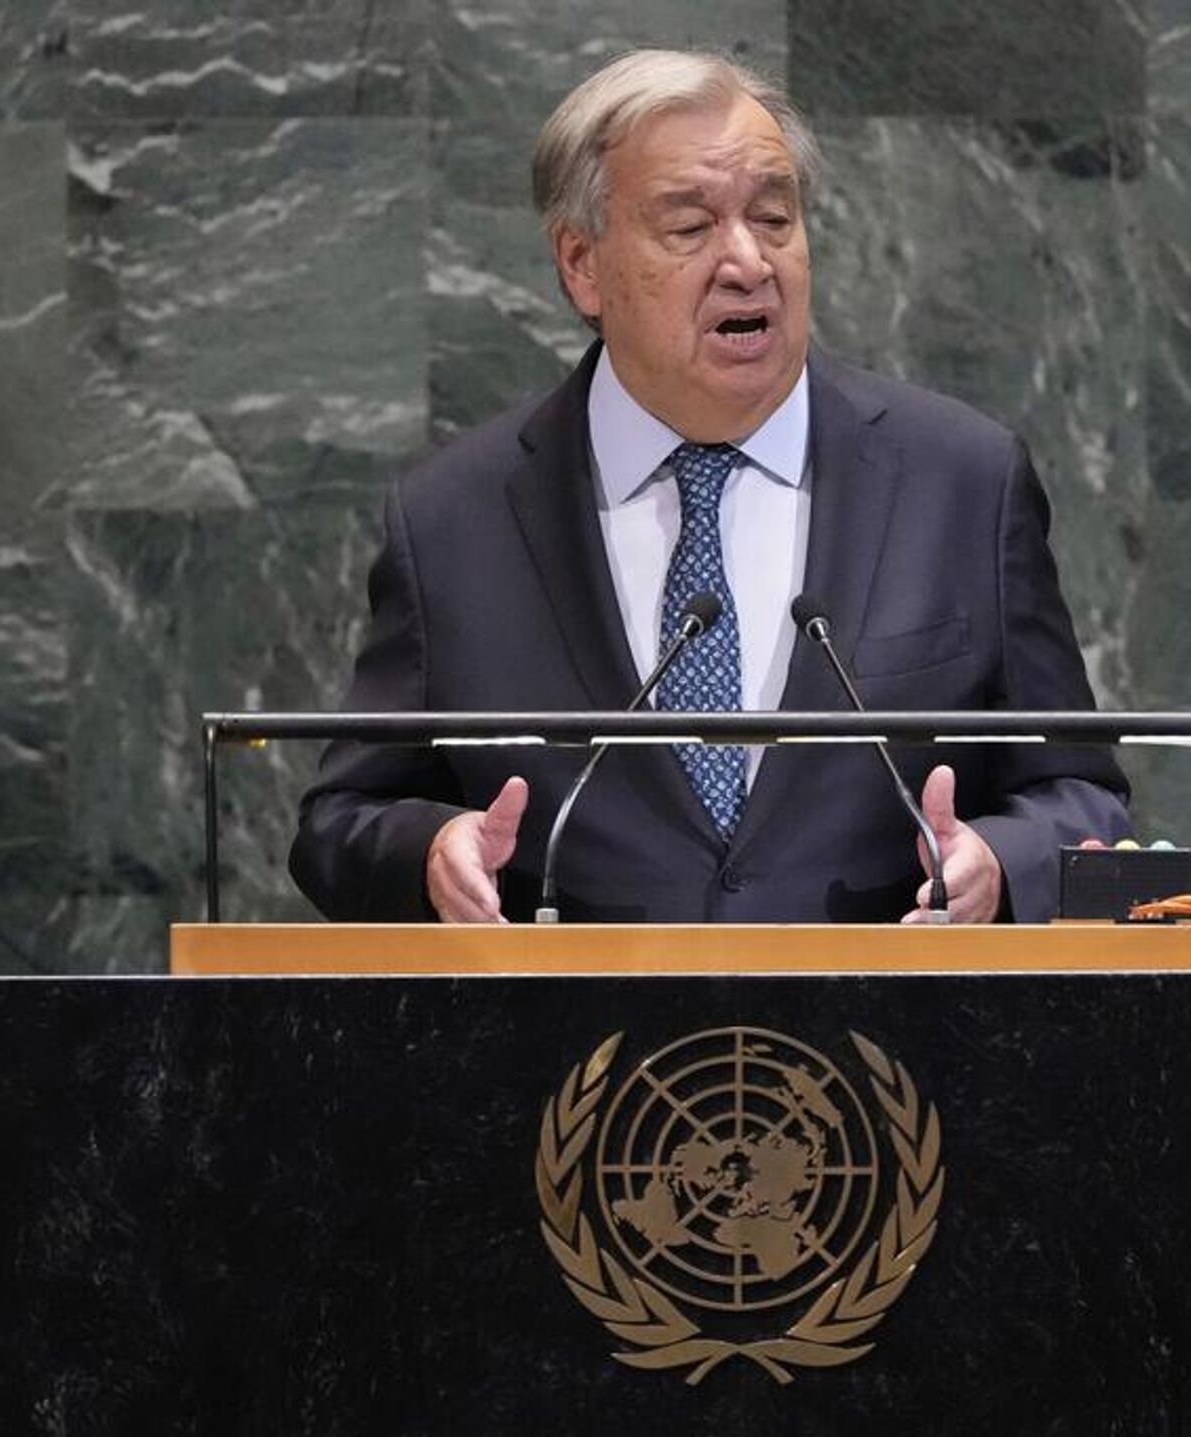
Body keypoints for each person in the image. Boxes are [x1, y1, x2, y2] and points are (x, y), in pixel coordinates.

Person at [289, 49, 1131, 925]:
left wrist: (997, 863)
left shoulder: (962, 483)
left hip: (881, 1011)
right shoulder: (454, 520)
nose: (748, 261)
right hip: (580, 1016)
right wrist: (432, 854)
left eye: (774, 217)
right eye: (690, 227)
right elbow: (343, 819)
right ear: (581, 264)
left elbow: (1082, 793)